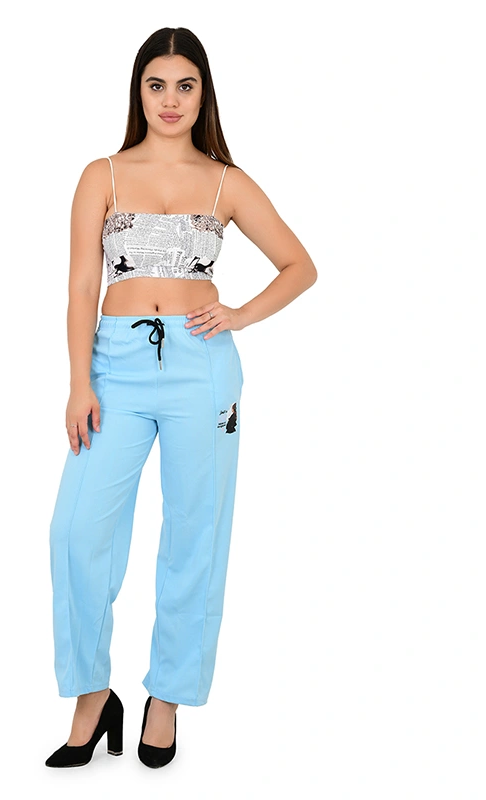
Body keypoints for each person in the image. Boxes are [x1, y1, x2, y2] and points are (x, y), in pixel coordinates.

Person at [45, 27, 317, 769]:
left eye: (185, 86)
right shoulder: (102, 174)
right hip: (114, 368)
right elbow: (82, 285)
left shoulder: (227, 181)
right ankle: (92, 694)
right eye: (157, 84)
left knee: (197, 531)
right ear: (139, 91)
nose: (170, 100)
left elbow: (299, 266)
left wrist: (239, 315)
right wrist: (78, 382)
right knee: (75, 530)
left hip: (203, 369)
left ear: (204, 95)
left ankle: (166, 697)